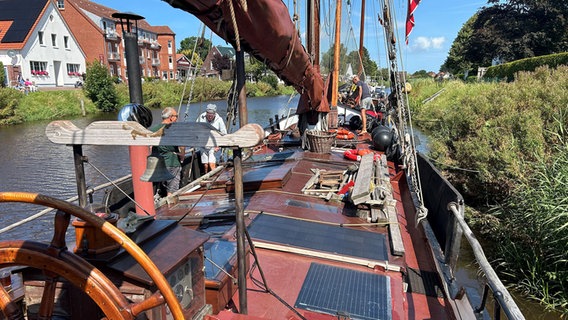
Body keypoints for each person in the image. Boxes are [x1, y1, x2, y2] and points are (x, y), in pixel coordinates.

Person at [150, 107, 184, 196]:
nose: (177, 118)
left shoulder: (153, 129)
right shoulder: (175, 130)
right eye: (176, 116)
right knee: (172, 191)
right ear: (171, 117)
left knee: (161, 187)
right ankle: (170, 207)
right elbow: (182, 146)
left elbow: (149, 147)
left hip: (157, 164)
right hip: (171, 162)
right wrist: (182, 156)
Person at [196, 104, 227, 172]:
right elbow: (195, 129)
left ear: (214, 113)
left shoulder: (219, 120)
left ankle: (214, 176)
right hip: (203, 145)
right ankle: (206, 176)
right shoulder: (201, 118)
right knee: (205, 165)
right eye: (208, 113)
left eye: (211, 114)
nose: (210, 116)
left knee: (211, 163)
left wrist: (218, 146)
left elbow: (224, 134)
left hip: (213, 146)